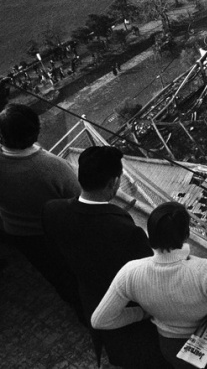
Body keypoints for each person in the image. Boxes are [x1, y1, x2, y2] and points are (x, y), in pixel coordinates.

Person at [43, 146, 170, 368]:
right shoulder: (124, 230)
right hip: (129, 310)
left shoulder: (52, 211)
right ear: (113, 183)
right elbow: (150, 276)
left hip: (91, 296)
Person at [92, 202, 207, 368]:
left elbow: (100, 320)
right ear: (186, 234)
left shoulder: (130, 273)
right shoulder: (204, 271)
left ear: (150, 235)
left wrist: (143, 313)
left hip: (172, 348)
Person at [0, 103, 84, 321]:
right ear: (37, 130)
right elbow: (78, 201)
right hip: (55, 234)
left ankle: (78, 310)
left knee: (54, 274)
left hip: (17, 232)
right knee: (73, 273)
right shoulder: (55, 167)